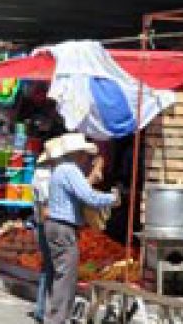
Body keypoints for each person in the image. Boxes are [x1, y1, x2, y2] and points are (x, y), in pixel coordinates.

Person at [44, 134, 119, 324]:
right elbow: (89, 197)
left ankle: (56, 316)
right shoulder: (70, 170)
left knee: (61, 274)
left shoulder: (61, 169)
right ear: (78, 153)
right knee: (66, 277)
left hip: (56, 224)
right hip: (63, 227)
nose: (86, 157)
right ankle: (57, 319)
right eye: (85, 153)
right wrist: (112, 199)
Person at [32, 138, 59, 323]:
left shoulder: (41, 174)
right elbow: (45, 203)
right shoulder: (44, 175)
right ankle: (43, 309)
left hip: (42, 223)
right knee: (49, 267)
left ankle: (42, 308)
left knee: (47, 267)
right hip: (45, 223)